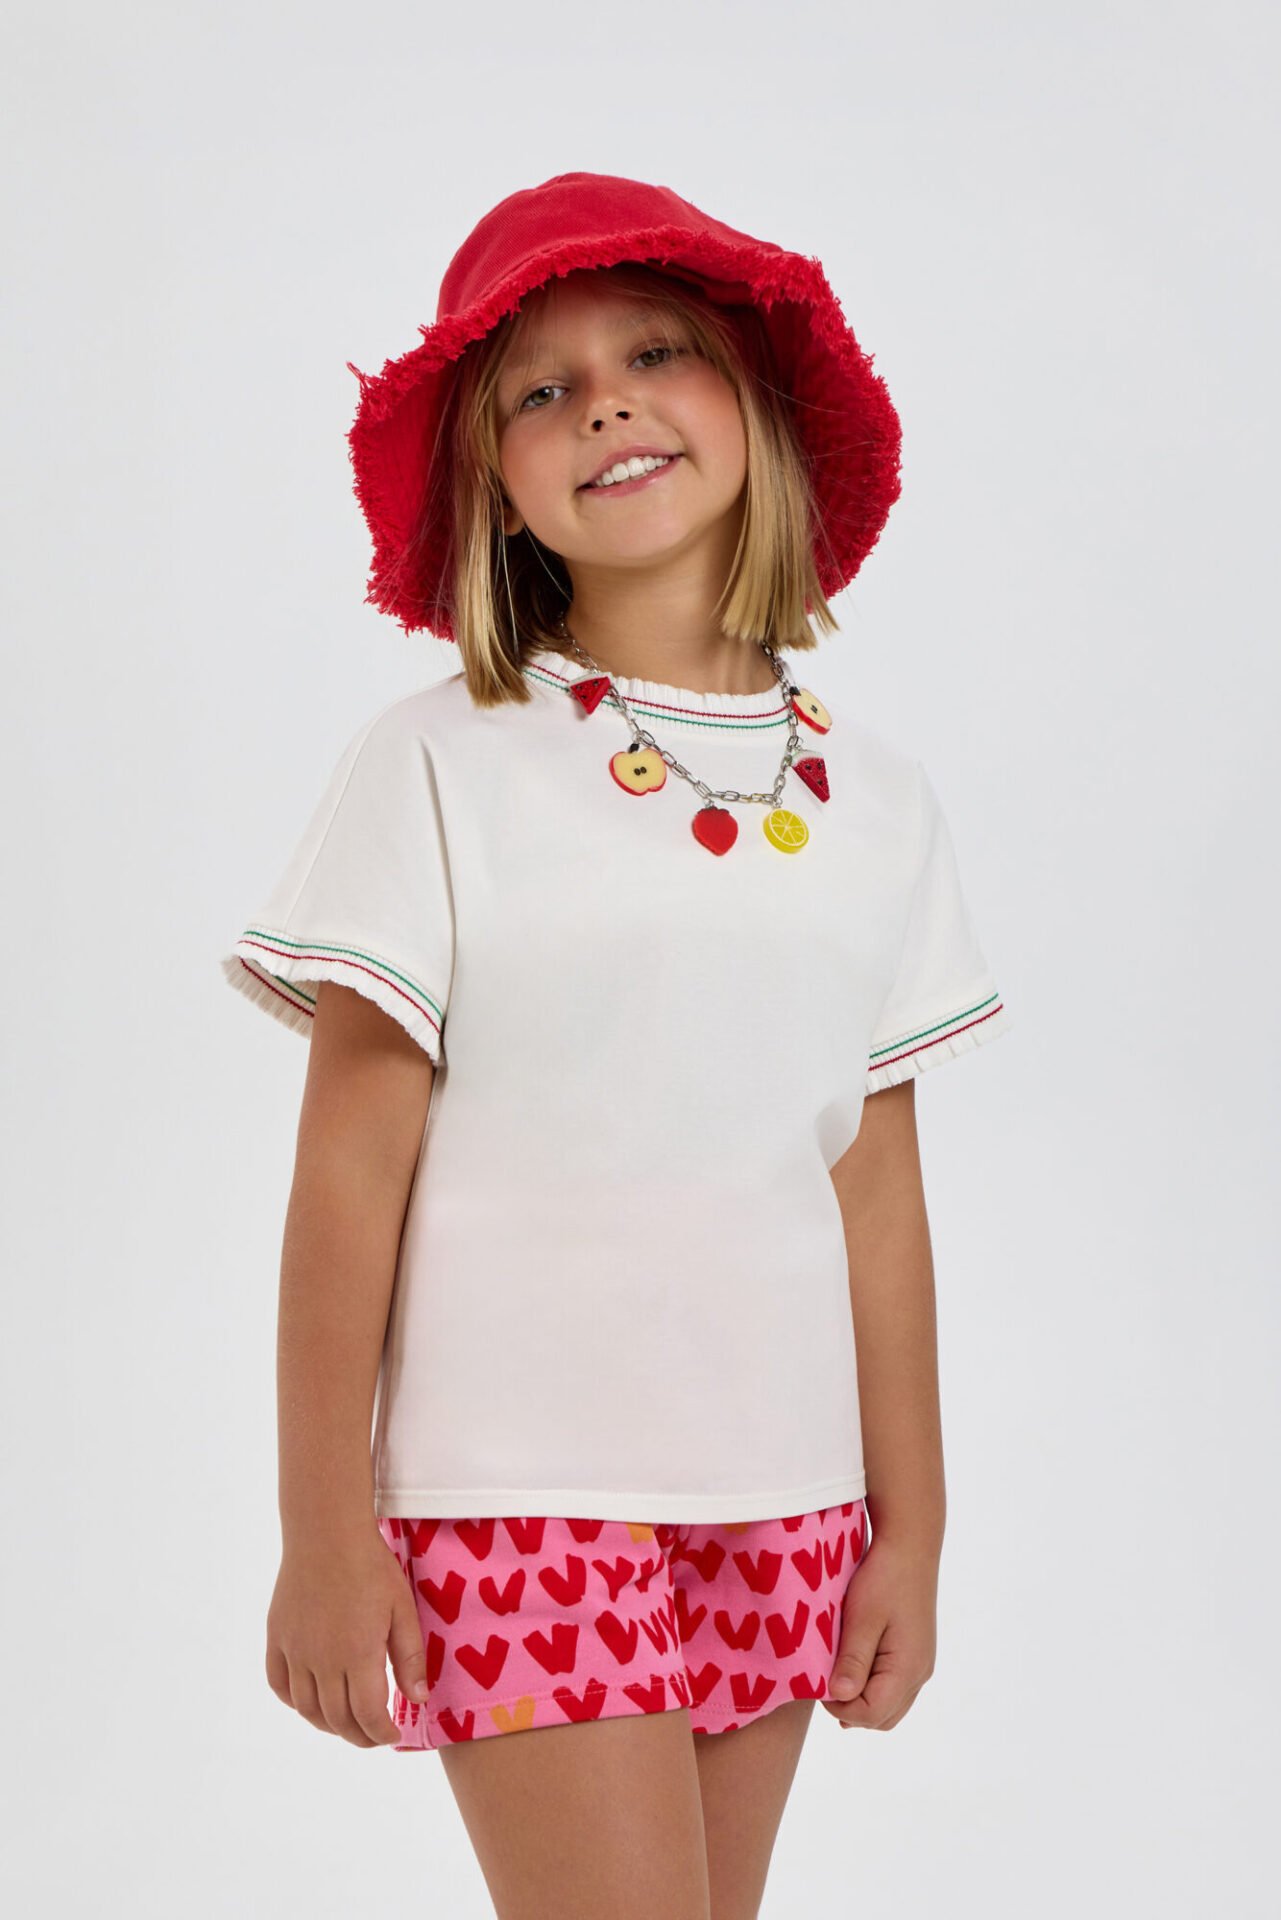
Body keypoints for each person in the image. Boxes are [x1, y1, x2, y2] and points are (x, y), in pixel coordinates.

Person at [221, 171, 1012, 1916]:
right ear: (491, 485)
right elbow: (347, 1170)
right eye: (541, 390)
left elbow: (873, 1191)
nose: (605, 405)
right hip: (517, 1493)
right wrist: (321, 1528)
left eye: (654, 354)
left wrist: (914, 1527)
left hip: (784, 1494)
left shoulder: (881, 801)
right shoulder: (439, 762)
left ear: (755, 407)